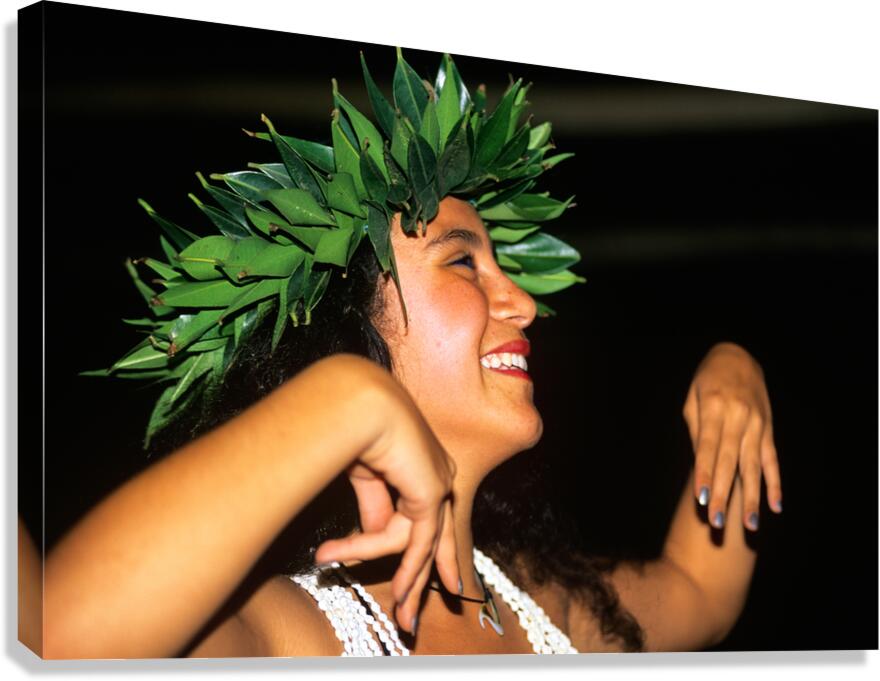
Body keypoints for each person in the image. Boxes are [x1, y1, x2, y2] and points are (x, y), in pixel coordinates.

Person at [41, 50, 782, 658]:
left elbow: (701, 592)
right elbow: (62, 638)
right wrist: (345, 396)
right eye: (463, 263)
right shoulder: (286, 634)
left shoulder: (548, 611)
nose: (522, 304)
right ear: (344, 336)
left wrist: (736, 371)